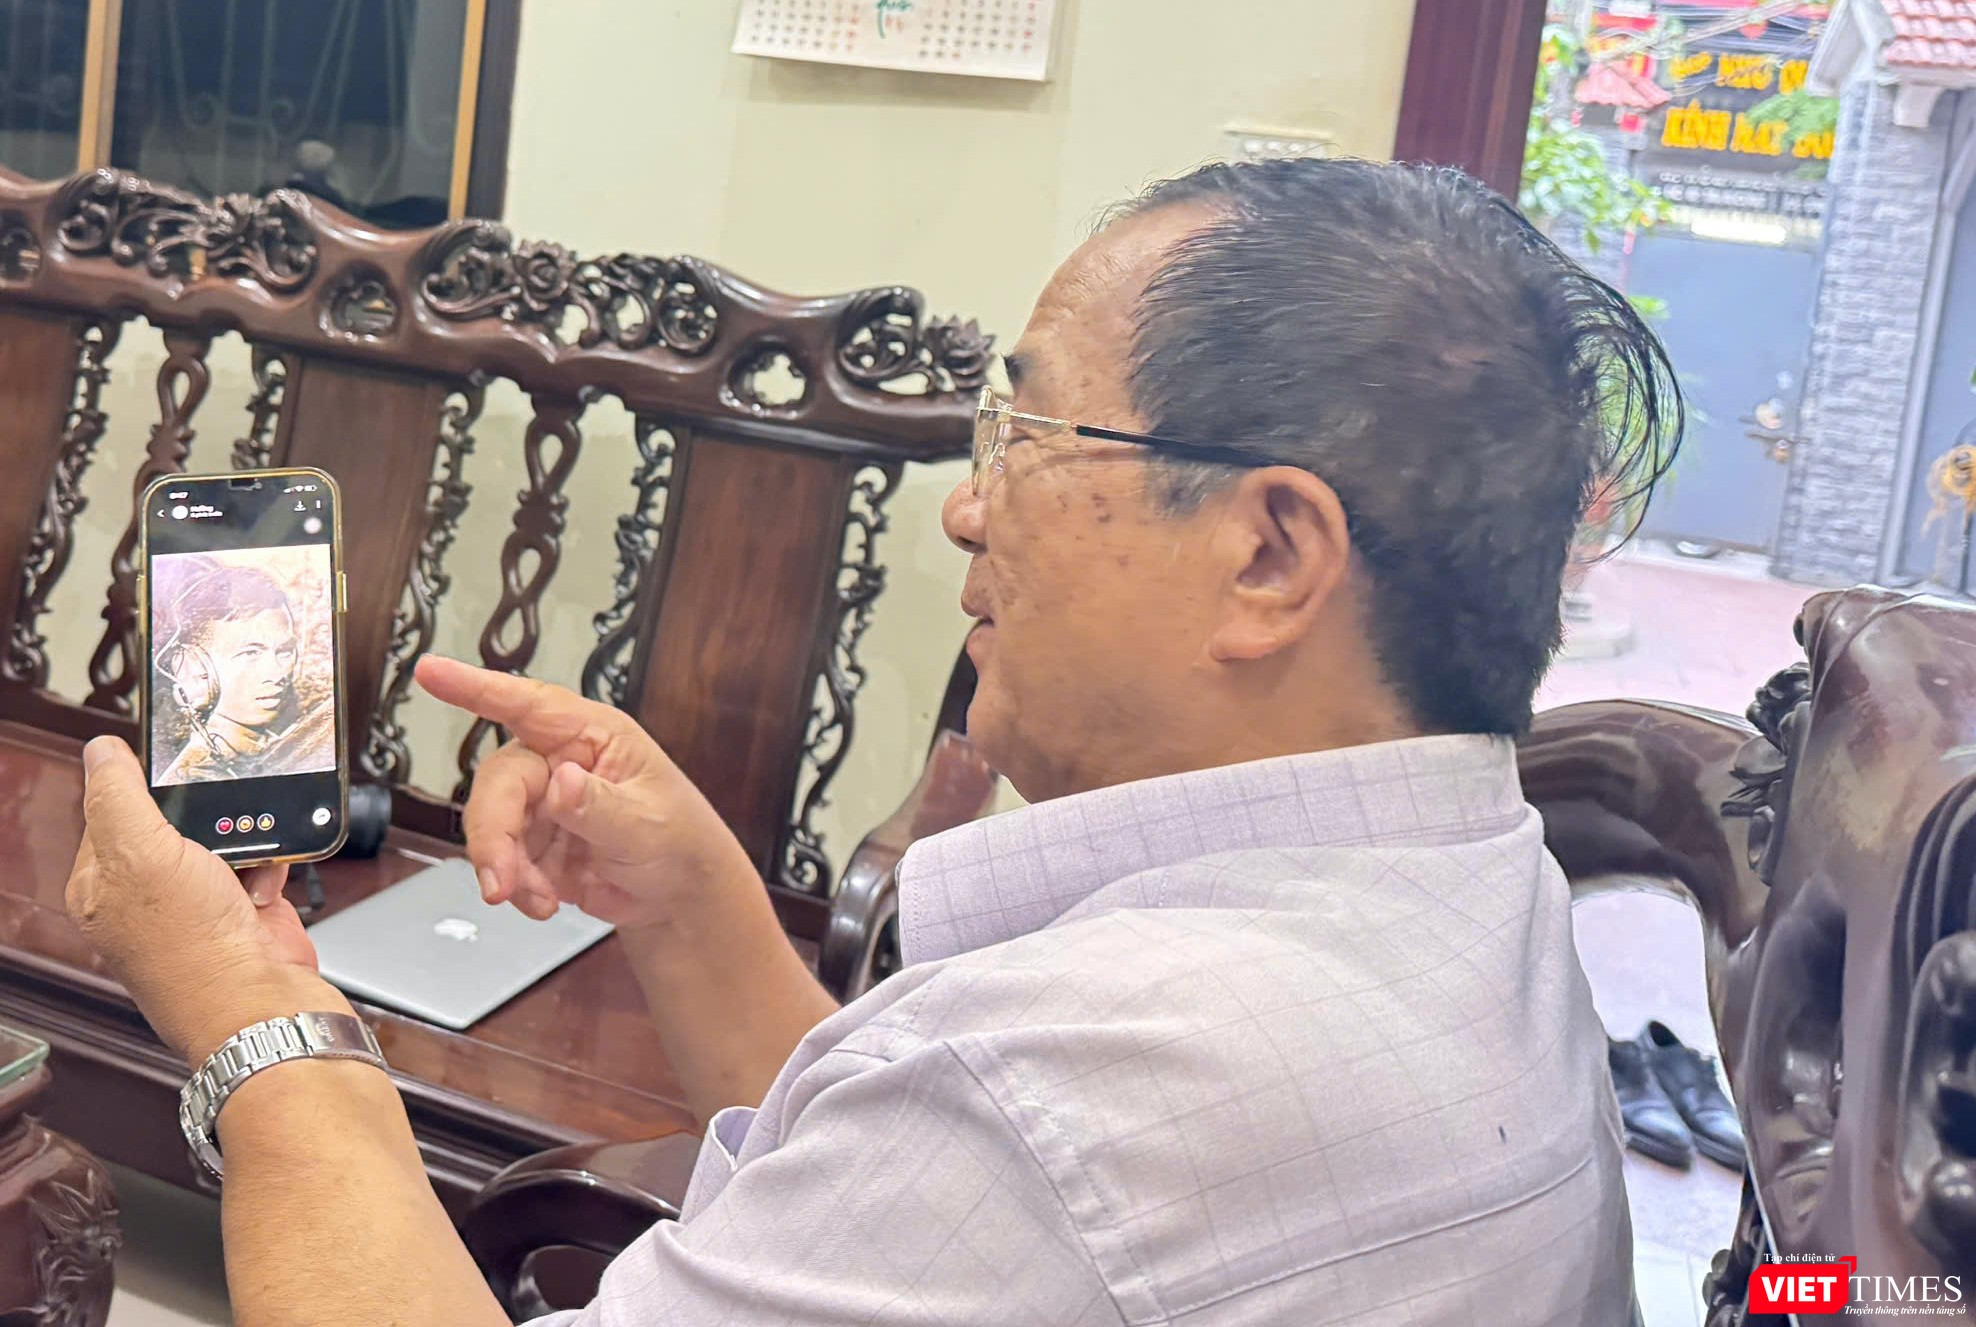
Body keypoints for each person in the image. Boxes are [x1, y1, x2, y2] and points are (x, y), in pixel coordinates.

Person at [65, 158, 1679, 1325]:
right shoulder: (1477, 886)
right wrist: (694, 898)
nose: (972, 507)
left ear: (1268, 555)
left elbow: (1010, 1151)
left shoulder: (1094, 1088)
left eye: (1029, 433)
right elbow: (900, 1186)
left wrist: (257, 1026)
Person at [152, 558, 334, 786]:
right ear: (194, 667)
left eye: (284, 652)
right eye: (251, 653)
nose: (277, 673)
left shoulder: (294, 749)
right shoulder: (190, 778)